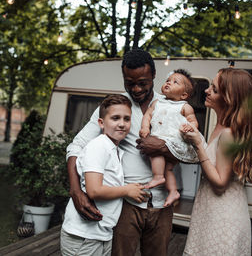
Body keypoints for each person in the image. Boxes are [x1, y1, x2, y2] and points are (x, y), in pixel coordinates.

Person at [66, 49, 176, 256]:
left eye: (142, 82)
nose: (136, 89)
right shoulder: (116, 108)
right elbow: (76, 146)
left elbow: (193, 153)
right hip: (126, 205)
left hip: (162, 204)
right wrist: (75, 191)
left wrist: (161, 147)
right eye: (129, 82)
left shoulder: (170, 107)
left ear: (153, 75)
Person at [181, 68, 252, 255]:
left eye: (214, 90)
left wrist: (199, 144)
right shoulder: (220, 125)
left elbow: (219, 183)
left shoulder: (229, 134)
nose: (207, 91)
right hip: (211, 212)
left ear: (229, 99)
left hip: (222, 218)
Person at [61, 94, 148, 256]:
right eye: (115, 118)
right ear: (101, 123)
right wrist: (127, 190)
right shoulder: (98, 147)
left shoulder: (114, 149)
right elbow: (94, 190)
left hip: (101, 233)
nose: (122, 124)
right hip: (84, 236)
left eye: (126, 119)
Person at [139, 69, 199, 207]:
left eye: (175, 82)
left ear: (184, 94)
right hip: (163, 138)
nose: (169, 83)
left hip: (173, 140)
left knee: (155, 152)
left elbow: (193, 121)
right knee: (168, 169)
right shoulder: (157, 103)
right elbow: (147, 116)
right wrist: (145, 127)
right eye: (168, 80)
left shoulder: (185, 107)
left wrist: (190, 127)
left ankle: (158, 177)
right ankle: (173, 191)